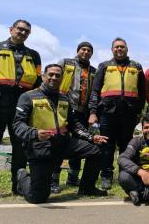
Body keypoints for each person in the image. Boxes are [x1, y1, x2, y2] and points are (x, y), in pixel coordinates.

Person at [13, 64, 108, 204]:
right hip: (41, 147)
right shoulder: (28, 97)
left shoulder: (65, 99)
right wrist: (35, 133)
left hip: (63, 144)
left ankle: (87, 188)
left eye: (58, 75)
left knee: (97, 149)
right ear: (43, 76)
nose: (54, 77)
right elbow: (17, 124)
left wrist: (91, 137)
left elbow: (74, 124)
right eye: (51, 74)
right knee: (38, 197)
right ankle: (22, 176)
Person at [0, 19, 42, 202]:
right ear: (11, 29)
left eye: (26, 31)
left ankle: (18, 185)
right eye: (20, 29)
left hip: (22, 106)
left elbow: (38, 84)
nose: (22, 33)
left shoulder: (34, 55)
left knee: (21, 145)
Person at [88, 37, 145, 190]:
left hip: (129, 113)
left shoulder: (136, 66)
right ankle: (106, 175)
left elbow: (142, 92)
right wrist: (93, 111)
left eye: (122, 47)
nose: (119, 49)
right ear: (112, 49)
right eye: (116, 47)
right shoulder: (104, 66)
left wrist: (138, 112)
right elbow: (95, 90)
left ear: (127, 49)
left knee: (126, 146)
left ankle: (125, 174)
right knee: (106, 145)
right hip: (107, 112)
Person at [50, 41, 96, 193]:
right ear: (78, 50)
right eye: (83, 49)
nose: (86, 52)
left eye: (89, 50)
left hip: (82, 111)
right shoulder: (65, 62)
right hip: (63, 108)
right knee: (59, 142)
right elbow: (54, 80)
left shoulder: (93, 70)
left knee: (79, 144)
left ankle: (73, 177)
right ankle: (54, 180)